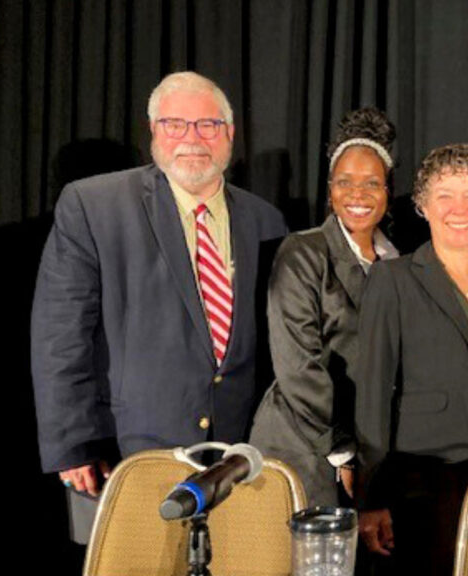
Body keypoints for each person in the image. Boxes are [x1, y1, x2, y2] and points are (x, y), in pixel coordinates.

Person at [31, 72, 286, 500]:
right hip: (127, 456)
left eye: (208, 125)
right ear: (153, 130)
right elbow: (60, 334)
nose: (192, 138)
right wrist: (73, 444)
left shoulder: (266, 220)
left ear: (230, 133)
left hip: (238, 461)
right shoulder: (94, 205)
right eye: (175, 124)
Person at [353, 144, 468, 575]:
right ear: (423, 206)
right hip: (415, 482)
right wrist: (371, 498)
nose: (459, 208)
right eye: (445, 195)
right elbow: (372, 393)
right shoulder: (393, 279)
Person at [249, 108, 398, 506]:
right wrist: (346, 451)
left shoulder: (397, 263)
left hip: (369, 455)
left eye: (372, 183)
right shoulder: (302, 253)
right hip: (302, 448)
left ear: (388, 191)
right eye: (344, 182)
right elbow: (299, 368)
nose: (357, 194)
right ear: (330, 190)